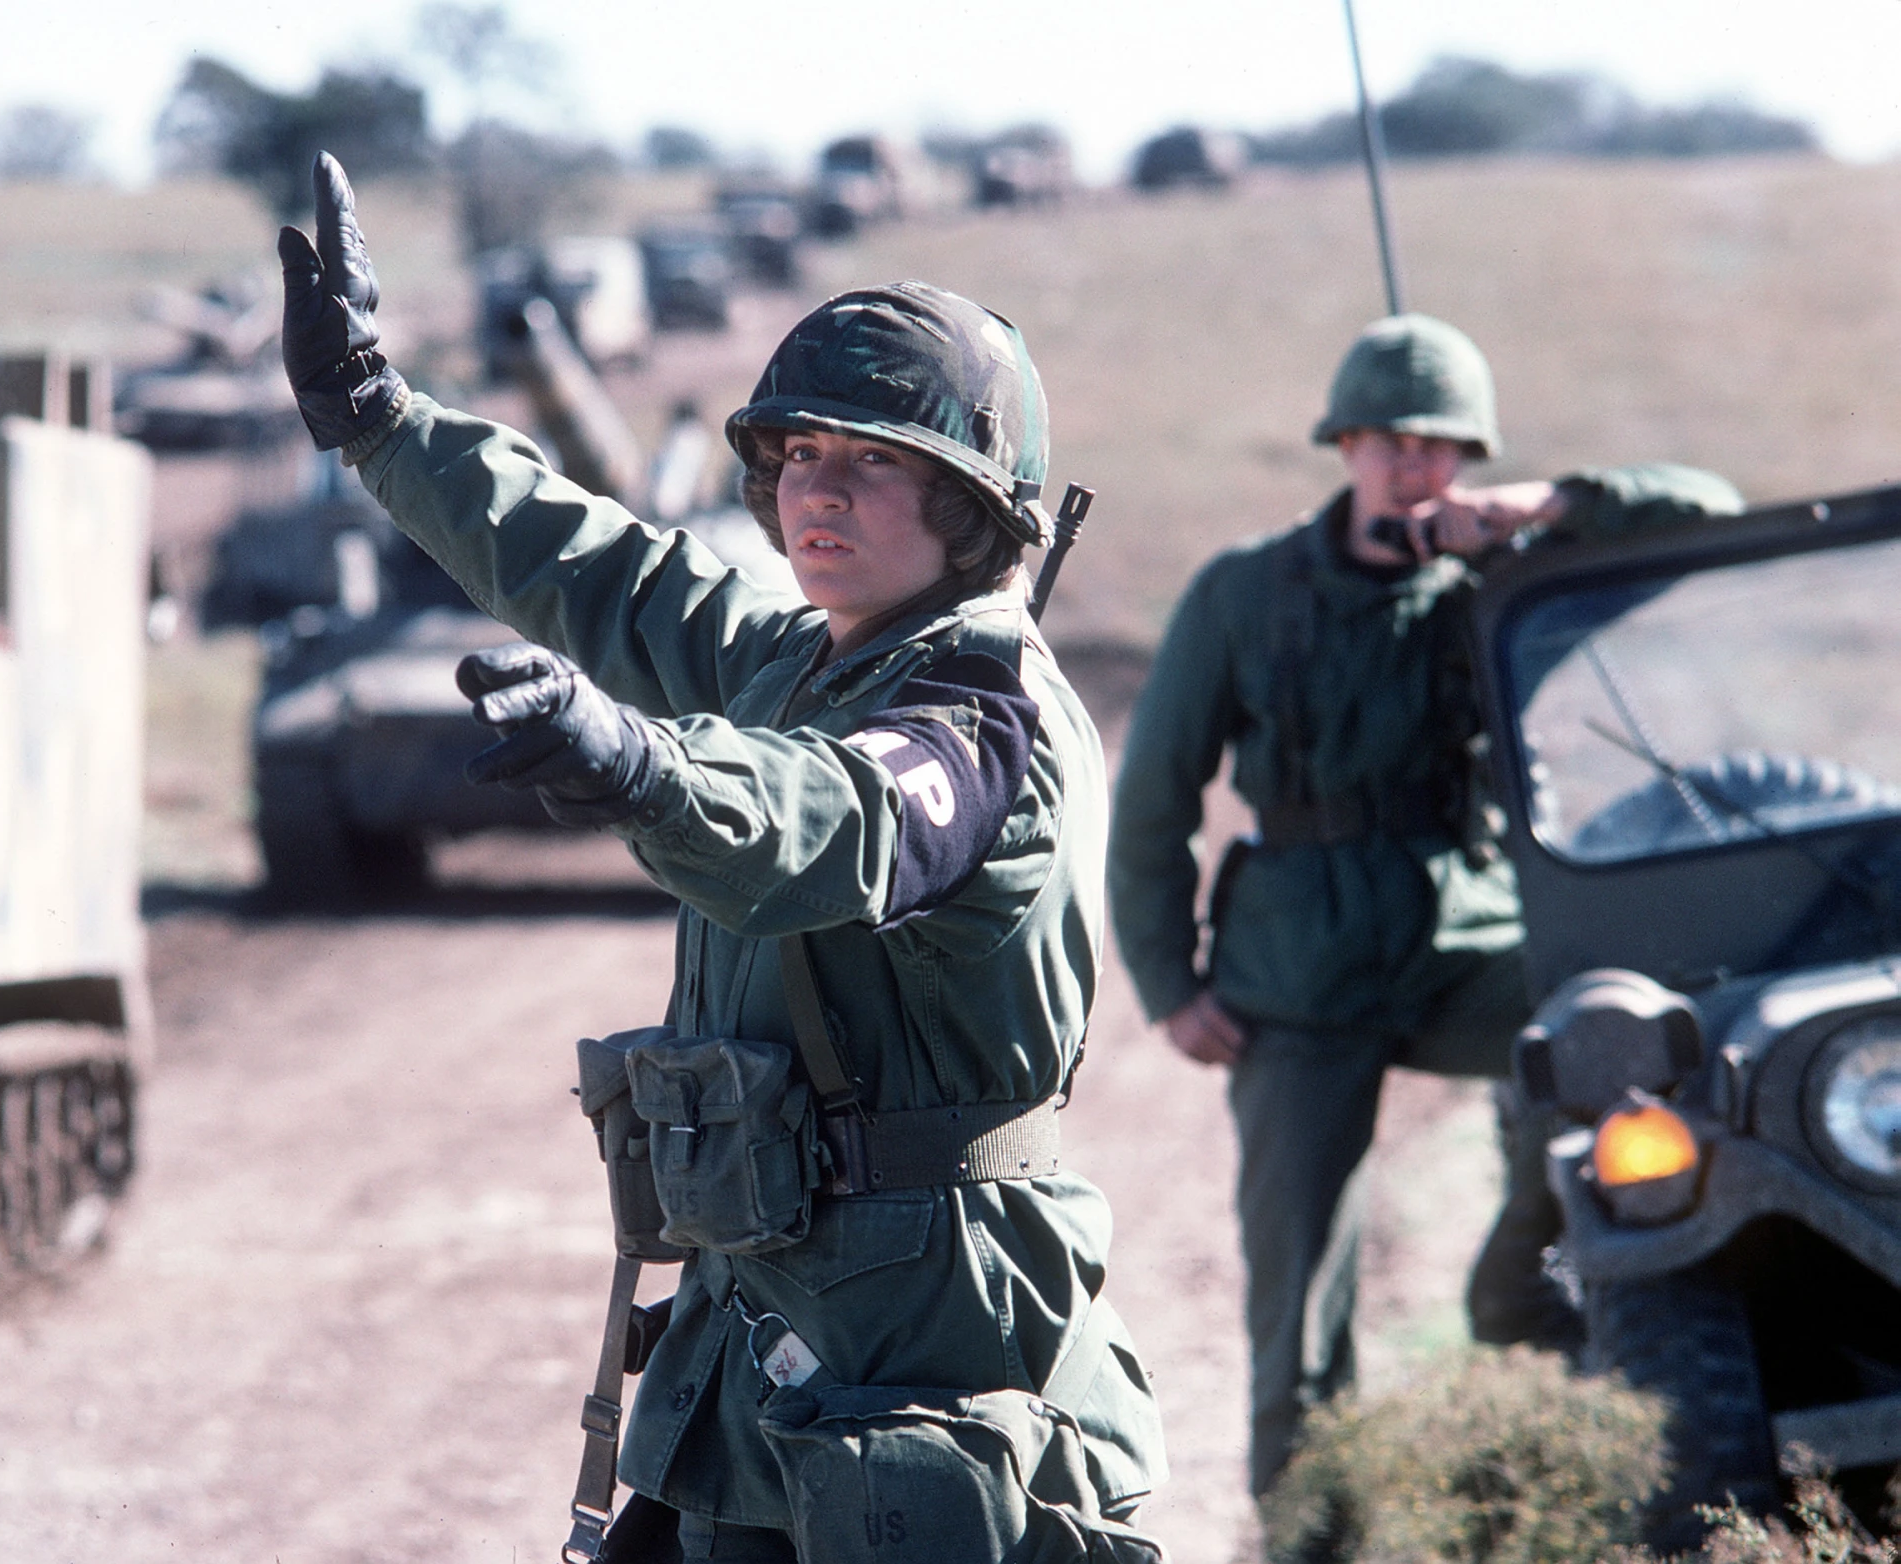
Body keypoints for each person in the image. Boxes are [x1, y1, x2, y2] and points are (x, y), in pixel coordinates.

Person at [281, 151, 1165, 1562]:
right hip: (764, 1323)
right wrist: (379, 418)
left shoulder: (988, 722)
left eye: (875, 462)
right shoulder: (796, 659)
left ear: (974, 508)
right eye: (798, 456)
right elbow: (603, 570)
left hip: (922, 1332)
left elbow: (832, 818)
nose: (819, 491)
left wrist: (644, 763)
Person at [1106, 312, 1742, 1498]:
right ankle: (1309, 1529)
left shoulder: (1499, 588)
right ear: (1342, 442)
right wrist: (1168, 985)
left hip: (1465, 940)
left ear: (1468, 456)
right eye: (1389, 439)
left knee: (1613, 1044)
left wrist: (1536, 510)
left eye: (1440, 445)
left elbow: (1705, 510)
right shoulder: (1241, 595)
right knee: (1296, 1305)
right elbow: (1147, 805)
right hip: (1294, 972)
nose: (1413, 466)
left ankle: (1518, 1286)